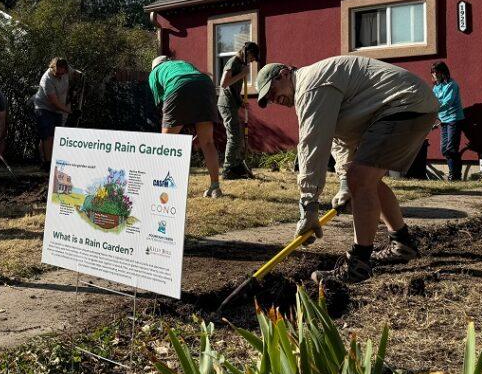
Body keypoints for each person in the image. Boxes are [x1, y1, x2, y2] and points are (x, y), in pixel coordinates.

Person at [255, 55, 439, 285]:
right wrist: (344, 184)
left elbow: (313, 145)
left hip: (405, 104)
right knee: (366, 181)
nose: (273, 99)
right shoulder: (317, 87)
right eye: (268, 99)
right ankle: (402, 244)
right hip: (408, 105)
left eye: (271, 91)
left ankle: (358, 264)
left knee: (361, 180)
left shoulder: (310, 85)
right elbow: (340, 139)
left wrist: (309, 205)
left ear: (283, 73)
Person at [148, 56, 224, 198]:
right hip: (205, 84)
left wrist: (173, 124)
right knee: (207, 143)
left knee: (165, 145)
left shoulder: (154, 73)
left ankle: (165, 188)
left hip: (178, 85)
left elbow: (162, 104)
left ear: (154, 67)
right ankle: (215, 187)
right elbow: (193, 84)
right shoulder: (183, 62)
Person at [217, 41, 262, 180]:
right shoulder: (233, 62)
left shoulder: (241, 64)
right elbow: (223, 83)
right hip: (226, 104)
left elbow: (233, 87)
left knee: (237, 135)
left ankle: (235, 165)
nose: (251, 61)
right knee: (234, 136)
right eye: (252, 58)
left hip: (233, 103)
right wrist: (242, 74)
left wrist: (239, 100)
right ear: (247, 53)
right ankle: (227, 169)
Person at [33, 58, 71, 169]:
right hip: (44, 107)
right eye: (58, 73)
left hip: (59, 108)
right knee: (47, 136)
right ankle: (47, 163)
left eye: (62, 73)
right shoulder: (47, 79)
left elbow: (77, 74)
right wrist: (69, 111)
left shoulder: (67, 70)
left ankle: (47, 160)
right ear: (53, 68)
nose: (60, 75)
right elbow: (54, 102)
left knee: (55, 136)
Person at [431, 61, 465, 181]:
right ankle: (454, 174)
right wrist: (431, 119)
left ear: (442, 72)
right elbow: (433, 103)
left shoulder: (452, 85)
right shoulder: (436, 87)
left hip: (454, 119)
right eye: (433, 72)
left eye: (436, 72)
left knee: (451, 148)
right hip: (444, 120)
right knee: (444, 149)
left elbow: (447, 102)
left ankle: (454, 175)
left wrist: (434, 108)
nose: (434, 75)